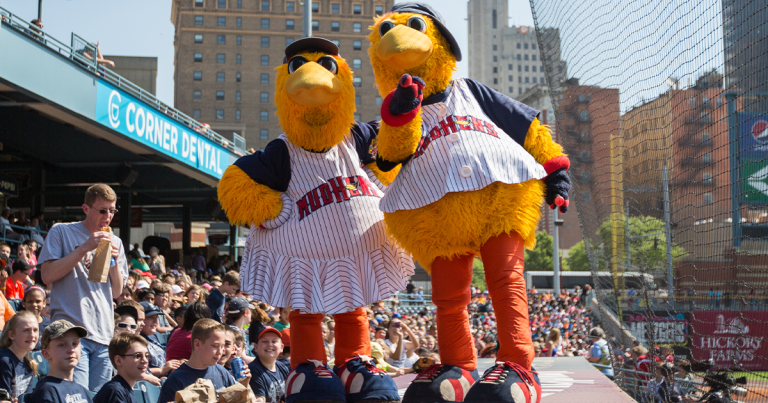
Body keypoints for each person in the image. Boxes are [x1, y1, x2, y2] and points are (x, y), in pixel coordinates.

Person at [38, 184, 128, 392]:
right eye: (103, 210)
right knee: (75, 395)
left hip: (104, 334)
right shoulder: (62, 231)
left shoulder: (116, 241)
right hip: (72, 333)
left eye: (112, 210)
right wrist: (85, 248)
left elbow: (116, 292)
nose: (108, 215)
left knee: (97, 397)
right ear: (86, 209)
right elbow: (47, 276)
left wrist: (114, 260)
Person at [157, 319, 244, 403]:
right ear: (197, 344)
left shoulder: (221, 372)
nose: (220, 352)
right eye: (215, 346)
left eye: (222, 346)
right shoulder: (176, 380)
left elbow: (239, 398)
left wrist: (244, 383)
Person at [29, 320, 92, 403]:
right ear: (46, 354)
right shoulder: (47, 391)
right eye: (62, 345)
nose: (71, 350)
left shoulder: (82, 390)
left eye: (75, 343)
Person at [93, 333, 148, 403]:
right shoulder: (115, 391)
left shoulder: (124, 389)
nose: (145, 360)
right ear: (119, 361)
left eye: (146, 355)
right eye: (137, 356)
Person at [0, 311, 39, 400]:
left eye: (35, 330)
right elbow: (4, 399)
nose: (32, 335)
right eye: (26, 330)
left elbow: (27, 398)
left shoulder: (29, 363)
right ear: (12, 335)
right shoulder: (4, 361)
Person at [139, 302, 181, 378]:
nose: (156, 322)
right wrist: (161, 370)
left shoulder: (153, 335)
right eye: (150, 318)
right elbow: (135, 371)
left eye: (156, 317)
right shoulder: (136, 341)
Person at [248, 328, 289, 403]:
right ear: (256, 347)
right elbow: (259, 399)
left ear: (281, 348)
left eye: (274, 341)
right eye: (264, 341)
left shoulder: (282, 367)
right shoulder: (252, 371)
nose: (270, 344)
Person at [22, 286, 50, 350]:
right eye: (30, 302)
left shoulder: (50, 324)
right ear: (24, 303)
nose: (34, 304)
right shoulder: (16, 323)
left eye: (38, 301)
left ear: (44, 303)